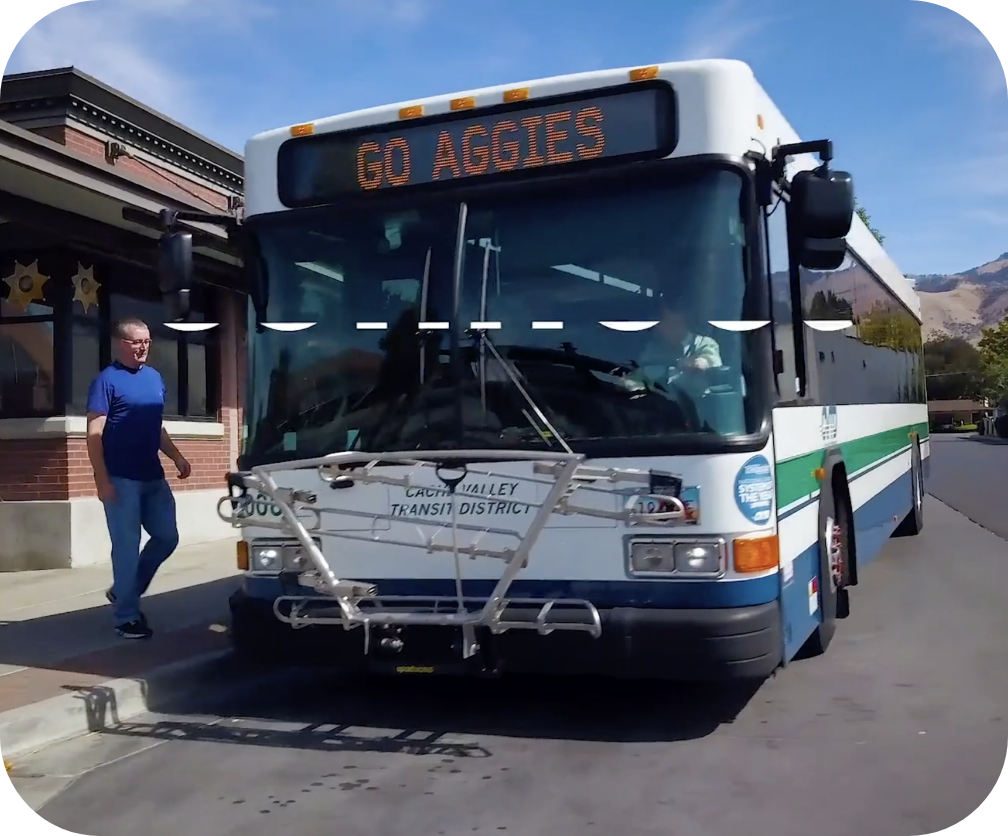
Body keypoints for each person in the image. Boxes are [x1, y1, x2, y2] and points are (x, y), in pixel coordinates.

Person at [85, 317, 191, 639]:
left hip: (152, 477)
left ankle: (124, 590)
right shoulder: (107, 381)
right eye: (136, 341)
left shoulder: (155, 378)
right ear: (122, 344)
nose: (144, 346)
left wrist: (176, 456)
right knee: (127, 547)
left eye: (147, 341)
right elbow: (93, 433)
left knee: (167, 537)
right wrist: (101, 480)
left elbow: (155, 426)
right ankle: (126, 617)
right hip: (121, 478)